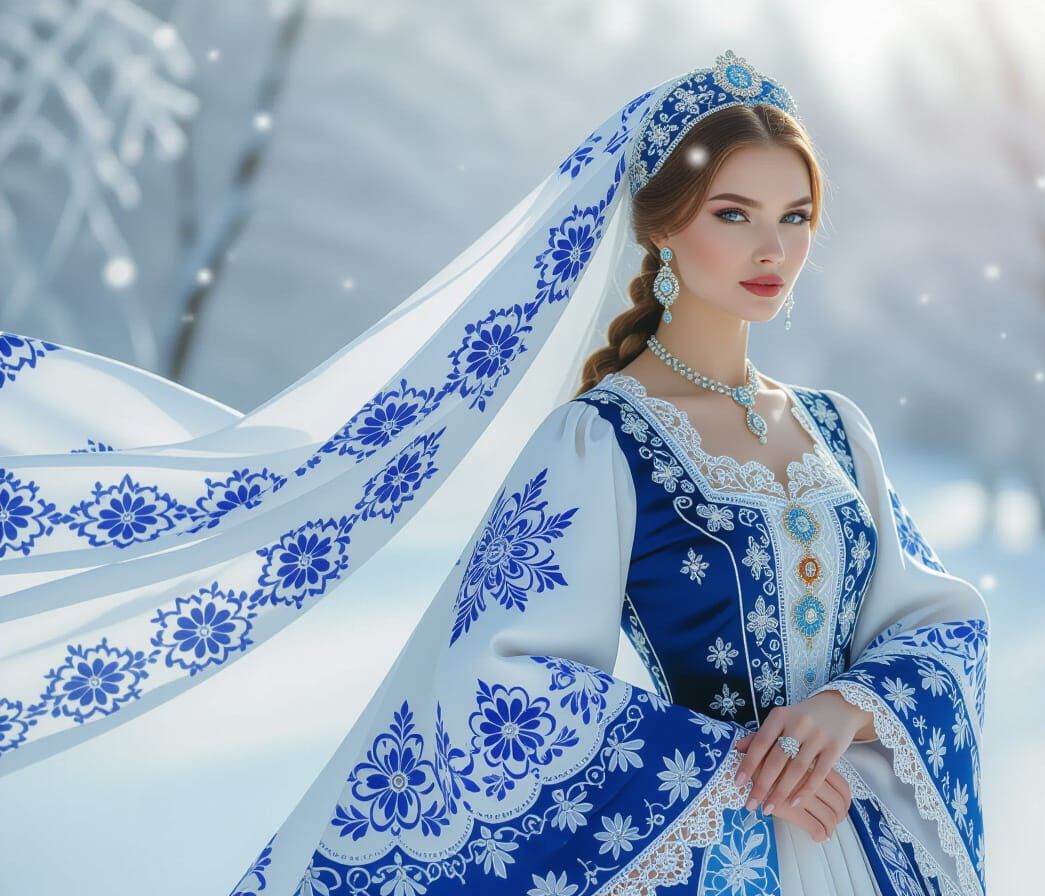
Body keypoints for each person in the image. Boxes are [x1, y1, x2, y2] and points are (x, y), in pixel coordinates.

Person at [0, 51, 989, 895]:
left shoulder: (834, 429)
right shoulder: (603, 441)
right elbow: (500, 680)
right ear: (663, 227)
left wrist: (846, 706)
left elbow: (942, 620)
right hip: (706, 842)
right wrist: (727, 764)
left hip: (854, 840)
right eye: (735, 213)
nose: (776, 246)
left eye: (797, 213)